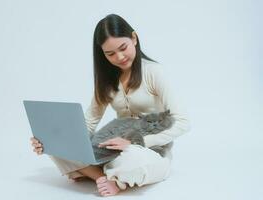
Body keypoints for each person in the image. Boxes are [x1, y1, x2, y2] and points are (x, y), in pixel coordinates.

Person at [30, 13, 191, 197]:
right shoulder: (106, 81)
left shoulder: (153, 72)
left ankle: (98, 173)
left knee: (134, 160)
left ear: (134, 38)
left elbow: (183, 122)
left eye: (123, 48)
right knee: (58, 145)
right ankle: (103, 176)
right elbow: (89, 123)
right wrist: (49, 140)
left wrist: (136, 142)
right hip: (113, 145)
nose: (120, 57)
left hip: (150, 151)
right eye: (110, 54)